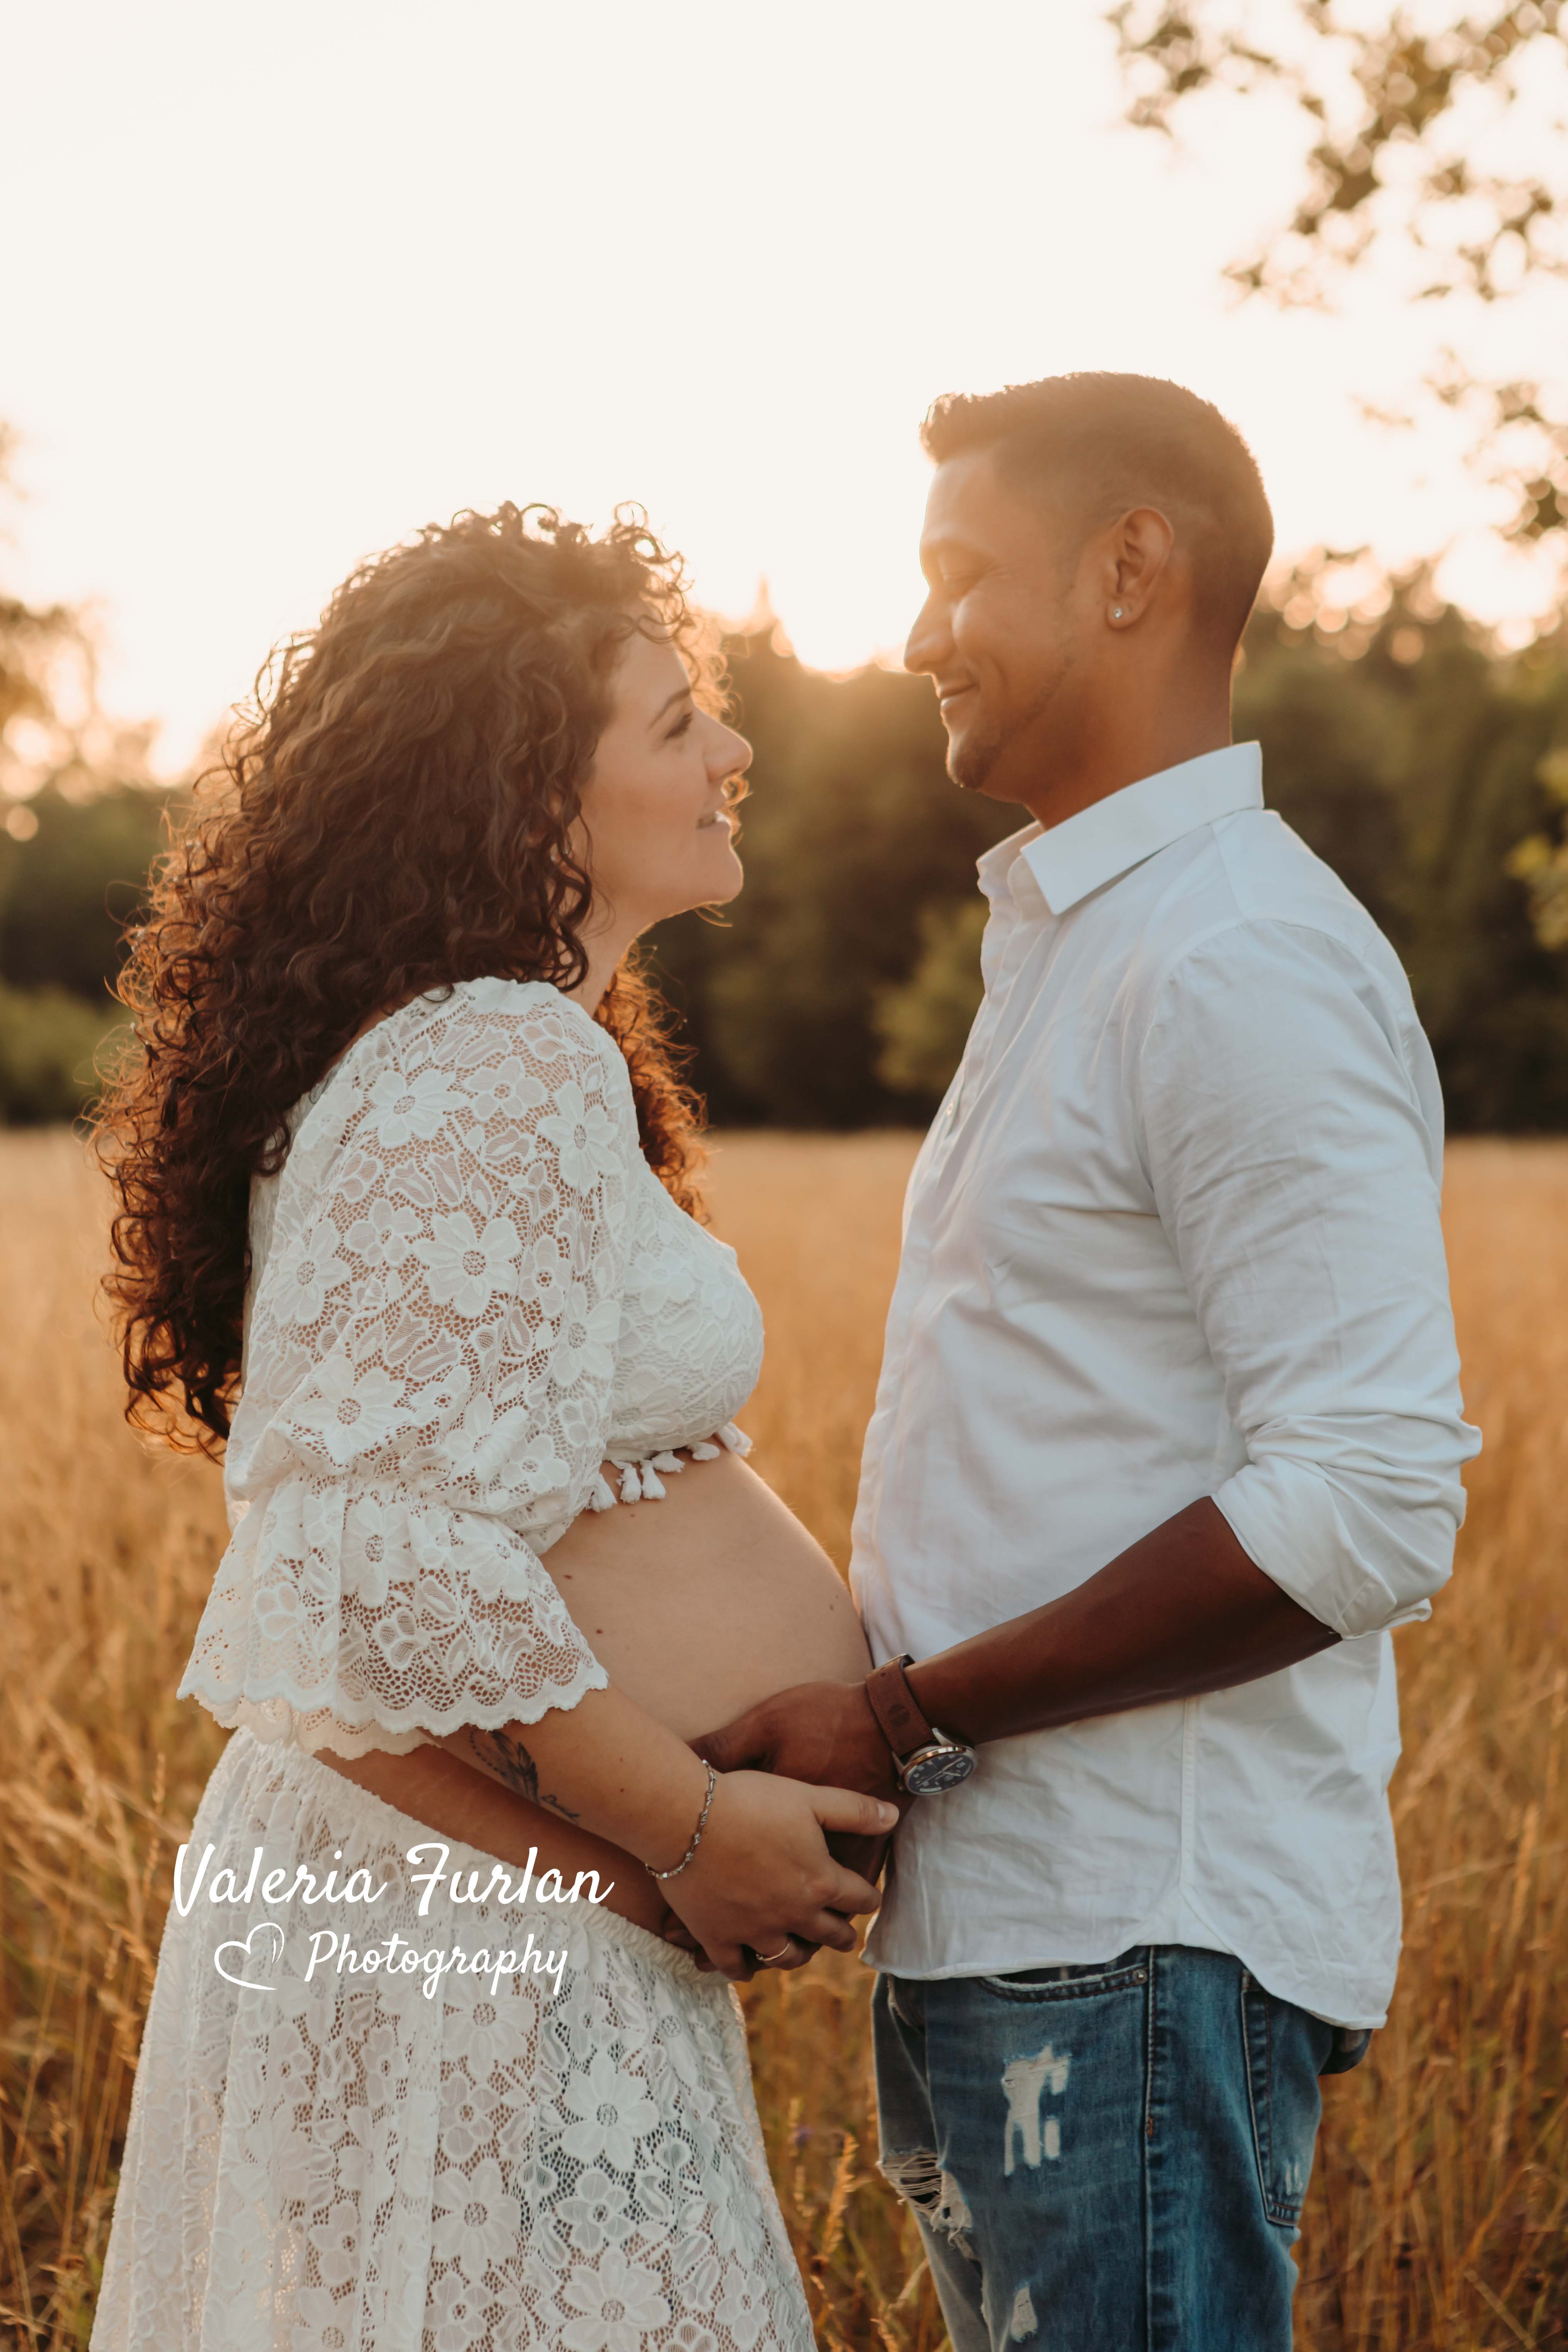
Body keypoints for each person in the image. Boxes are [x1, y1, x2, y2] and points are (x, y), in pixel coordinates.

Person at [694, 375, 1481, 2351]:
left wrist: (906, 1709)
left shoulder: (1229, 952)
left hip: (1137, 1937)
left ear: (1133, 570)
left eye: (961, 572)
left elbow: (1371, 1493)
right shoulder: (1088, 938)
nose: (915, 632)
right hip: (1031, 1937)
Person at [89, 503, 896, 2352]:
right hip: (467, 1909)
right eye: (679, 721)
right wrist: (686, 1832)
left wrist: (652, 1864)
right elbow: (373, 1548)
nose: (737, 751)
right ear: (537, 791)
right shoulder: (492, 1051)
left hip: (469, 1885)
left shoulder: (488, 1046)